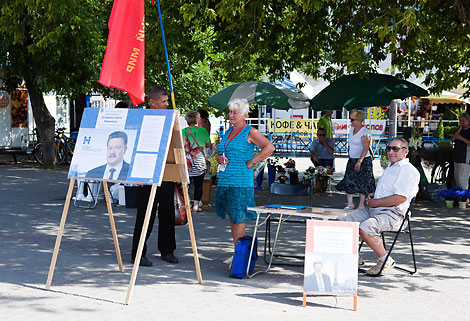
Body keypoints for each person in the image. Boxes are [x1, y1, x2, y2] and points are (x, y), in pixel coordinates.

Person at [340, 137, 420, 275]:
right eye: (388, 148)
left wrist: (376, 202)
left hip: (394, 214)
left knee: (365, 227)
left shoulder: (408, 170)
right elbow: (387, 192)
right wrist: (374, 195)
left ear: (405, 151)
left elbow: (400, 198)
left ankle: (386, 260)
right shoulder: (391, 166)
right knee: (342, 221)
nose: (390, 152)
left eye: (395, 149)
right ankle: (355, 258)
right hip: (376, 210)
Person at [215, 99, 274, 266]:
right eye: (230, 112)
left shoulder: (250, 131)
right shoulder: (228, 131)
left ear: (245, 115)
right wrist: (220, 158)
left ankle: (240, 256)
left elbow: (269, 147)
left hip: (240, 180)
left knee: (238, 217)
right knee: (232, 217)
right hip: (226, 179)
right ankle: (238, 252)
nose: (231, 115)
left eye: (235, 112)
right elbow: (220, 152)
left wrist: (252, 161)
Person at [131, 85, 177, 267]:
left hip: (167, 171)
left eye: (167, 101)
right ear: (152, 102)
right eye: (164, 101)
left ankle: (167, 250)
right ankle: (138, 253)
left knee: (167, 212)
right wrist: (138, 175)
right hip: (147, 172)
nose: (167, 104)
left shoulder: (170, 118)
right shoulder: (142, 119)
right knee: (146, 215)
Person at [336, 110, 375, 210]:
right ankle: (350, 203)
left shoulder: (364, 132)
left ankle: (361, 205)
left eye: (352, 120)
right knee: (349, 180)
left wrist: (359, 161)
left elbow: (365, 147)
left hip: (363, 160)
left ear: (359, 120)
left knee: (363, 181)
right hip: (352, 158)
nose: (351, 122)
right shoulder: (351, 130)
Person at [182, 110, 211, 212]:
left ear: (187, 120)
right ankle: (195, 206)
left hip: (185, 161)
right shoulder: (203, 131)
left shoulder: (182, 132)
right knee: (199, 184)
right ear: (197, 119)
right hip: (199, 161)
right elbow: (208, 145)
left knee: (185, 184)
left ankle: (185, 204)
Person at [451, 112, 470, 189]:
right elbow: (452, 139)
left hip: (465, 158)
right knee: (457, 179)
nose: (462, 123)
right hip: (457, 157)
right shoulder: (461, 130)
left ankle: (465, 198)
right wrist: (459, 130)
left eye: (463, 121)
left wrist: (461, 138)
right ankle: (460, 198)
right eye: (460, 121)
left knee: (462, 179)